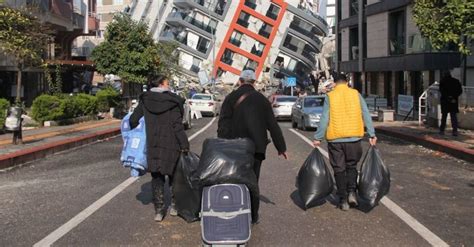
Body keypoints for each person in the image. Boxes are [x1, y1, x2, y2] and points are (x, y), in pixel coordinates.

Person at [218, 70, 288, 224]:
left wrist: (222, 143)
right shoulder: (262, 100)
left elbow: (223, 123)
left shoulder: (230, 98)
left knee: (234, 178)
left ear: (240, 81)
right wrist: (281, 147)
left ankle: (235, 209)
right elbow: (272, 125)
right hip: (256, 148)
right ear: (254, 82)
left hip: (234, 146)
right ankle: (253, 215)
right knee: (253, 180)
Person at [313, 73, 377, 211]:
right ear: (347, 82)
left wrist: (318, 137)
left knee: (339, 168)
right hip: (354, 138)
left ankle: (343, 200)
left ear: (335, 83)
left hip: (335, 139)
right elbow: (366, 113)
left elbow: (325, 118)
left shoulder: (330, 96)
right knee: (352, 166)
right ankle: (352, 192)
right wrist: (371, 134)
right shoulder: (356, 94)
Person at [130, 75, 190, 222]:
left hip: (153, 144)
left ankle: (159, 210)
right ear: (162, 84)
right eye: (167, 83)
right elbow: (177, 126)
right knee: (174, 176)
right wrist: (184, 144)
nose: (168, 86)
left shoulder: (145, 100)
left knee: (157, 176)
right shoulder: (173, 101)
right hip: (172, 144)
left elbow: (133, 120)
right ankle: (175, 206)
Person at [439, 71, 463, 136]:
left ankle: (442, 130)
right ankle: (455, 131)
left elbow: (442, 91)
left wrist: (448, 97)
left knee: (444, 116)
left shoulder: (442, 81)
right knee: (453, 116)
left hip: (445, 101)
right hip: (453, 101)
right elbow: (460, 91)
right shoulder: (456, 81)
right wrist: (453, 97)